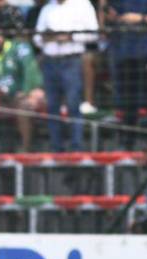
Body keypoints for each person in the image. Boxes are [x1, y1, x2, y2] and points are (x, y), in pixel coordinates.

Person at [33, 0, 98, 152]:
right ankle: (56, 147)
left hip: (72, 60)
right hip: (50, 61)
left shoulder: (83, 5)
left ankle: (76, 147)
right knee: (52, 106)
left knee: (73, 104)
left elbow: (93, 33)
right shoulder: (47, 8)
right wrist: (48, 37)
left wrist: (70, 37)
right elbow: (36, 38)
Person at [104, 0, 147, 148]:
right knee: (128, 103)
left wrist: (140, 18)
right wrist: (111, 15)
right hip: (124, 53)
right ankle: (128, 144)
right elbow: (108, 15)